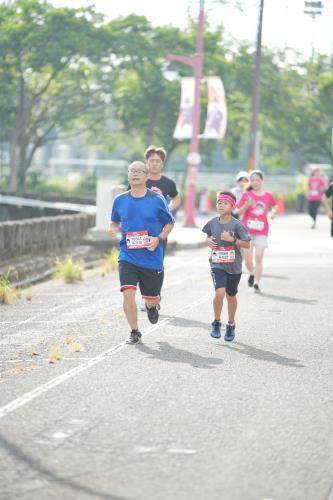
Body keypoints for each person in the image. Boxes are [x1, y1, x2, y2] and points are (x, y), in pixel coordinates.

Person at [109, 161, 174, 345]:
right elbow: (114, 221)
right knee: (128, 292)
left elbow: (169, 223)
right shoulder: (120, 200)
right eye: (132, 171)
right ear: (128, 176)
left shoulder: (156, 200)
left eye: (139, 171)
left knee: (151, 298)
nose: (135, 174)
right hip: (127, 255)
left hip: (151, 256)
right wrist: (112, 228)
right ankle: (134, 331)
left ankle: (151, 306)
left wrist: (158, 238)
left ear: (146, 176)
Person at [202, 191, 251, 342]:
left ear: (232, 206)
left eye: (225, 203)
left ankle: (231, 324)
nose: (221, 206)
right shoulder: (212, 222)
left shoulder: (237, 225)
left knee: (231, 296)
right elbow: (208, 235)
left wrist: (233, 239)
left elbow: (247, 244)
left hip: (234, 266)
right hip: (217, 264)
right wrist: (208, 241)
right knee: (219, 293)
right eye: (219, 203)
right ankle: (216, 322)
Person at [237, 170, 278, 293]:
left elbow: (274, 206)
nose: (255, 182)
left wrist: (273, 213)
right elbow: (239, 211)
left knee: (259, 257)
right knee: (248, 259)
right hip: (247, 231)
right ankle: (252, 273)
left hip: (261, 230)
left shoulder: (268, 195)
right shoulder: (246, 195)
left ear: (262, 181)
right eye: (252, 180)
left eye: (257, 180)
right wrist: (247, 205)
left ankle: (257, 282)